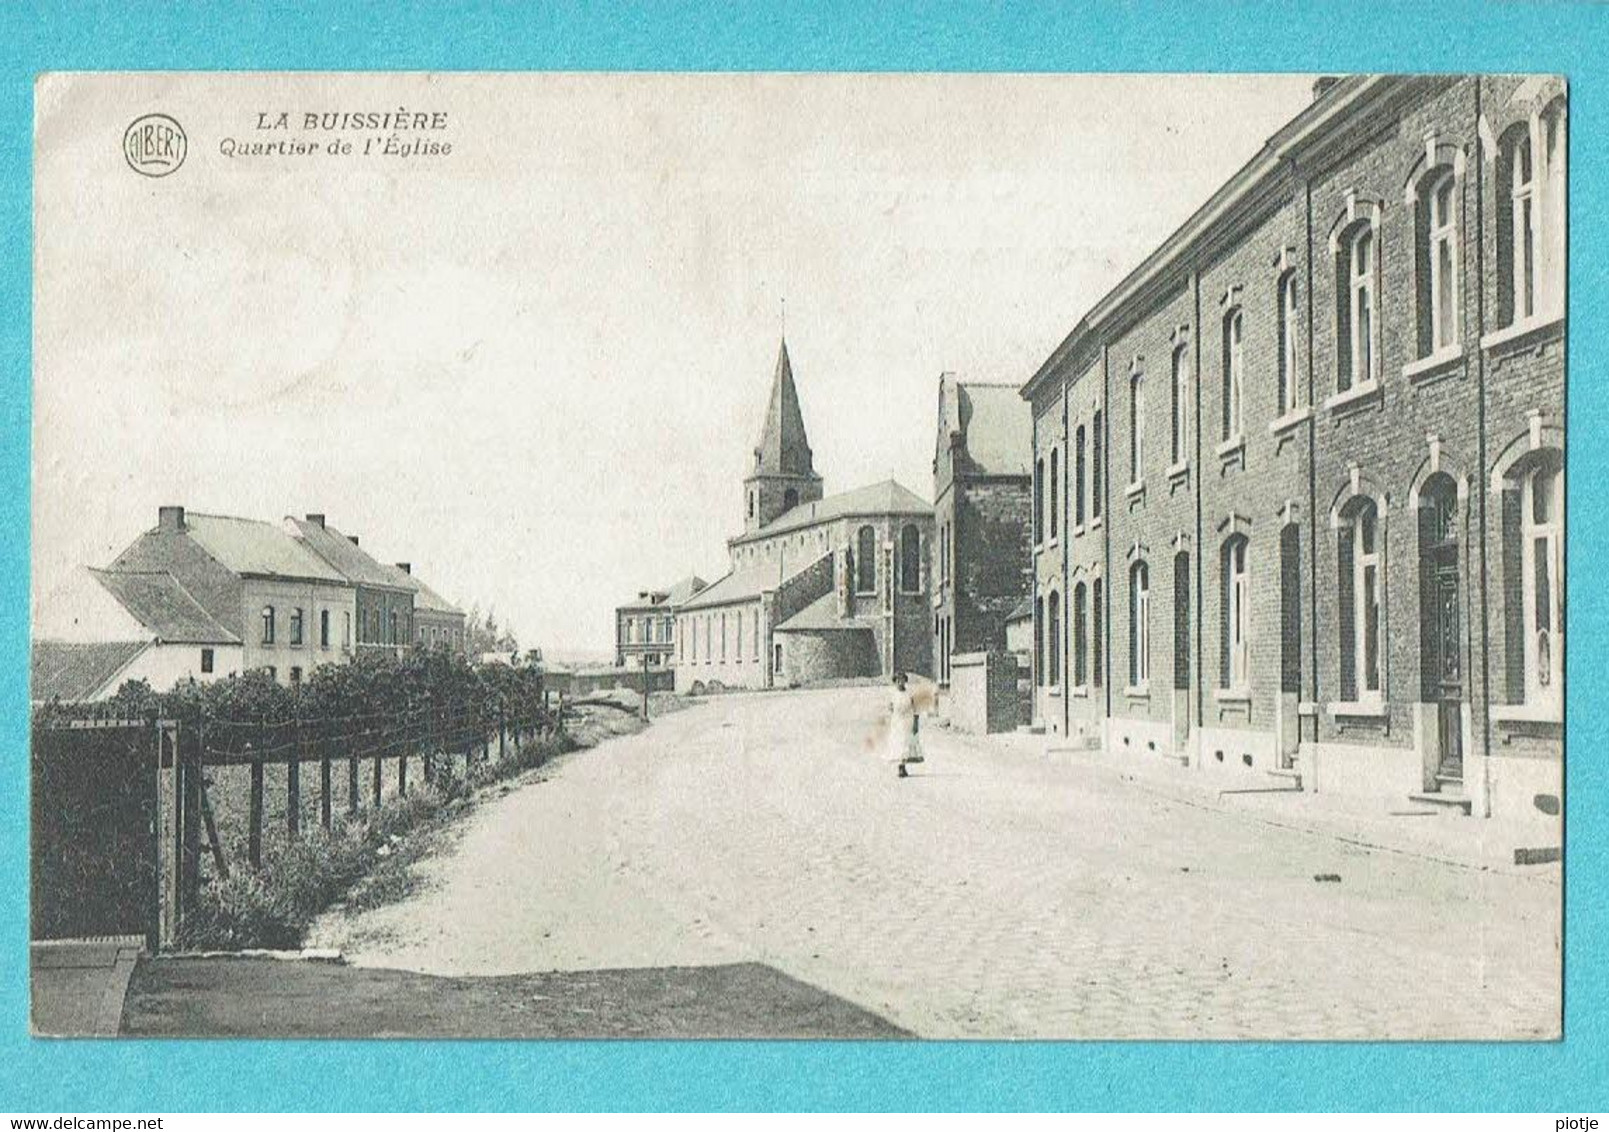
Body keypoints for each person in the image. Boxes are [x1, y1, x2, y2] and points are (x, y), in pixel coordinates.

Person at [888, 671, 925, 777]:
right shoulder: (893, 694)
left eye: (902, 680)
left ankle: (903, 765)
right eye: (898, 681)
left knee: (906, 743)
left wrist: (916, 721)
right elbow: (890, 707)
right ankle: (900, 766)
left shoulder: (909, 693)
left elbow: (915, 708)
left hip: (908, 721)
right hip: (897, 722)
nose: (900, 682)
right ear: (895, 682)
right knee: (899, 743)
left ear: (905, 681)